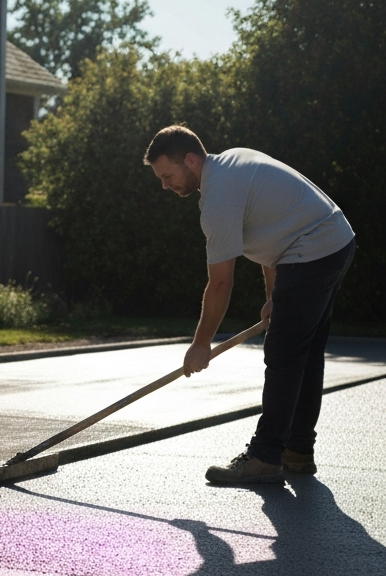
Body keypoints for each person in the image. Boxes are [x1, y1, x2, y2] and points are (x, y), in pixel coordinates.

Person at [144, 126, 355, 485]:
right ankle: (298, 452)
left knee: (284, 355)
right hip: (335, 240)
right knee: (304, 353)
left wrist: (200, 345)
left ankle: (265, 457)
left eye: (168, 176)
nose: (165, 186)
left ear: (190, 160)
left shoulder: (218, 200)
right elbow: (272, 233)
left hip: (314, 248)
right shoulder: (232, 163)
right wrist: (274, 298)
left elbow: (221, 283)